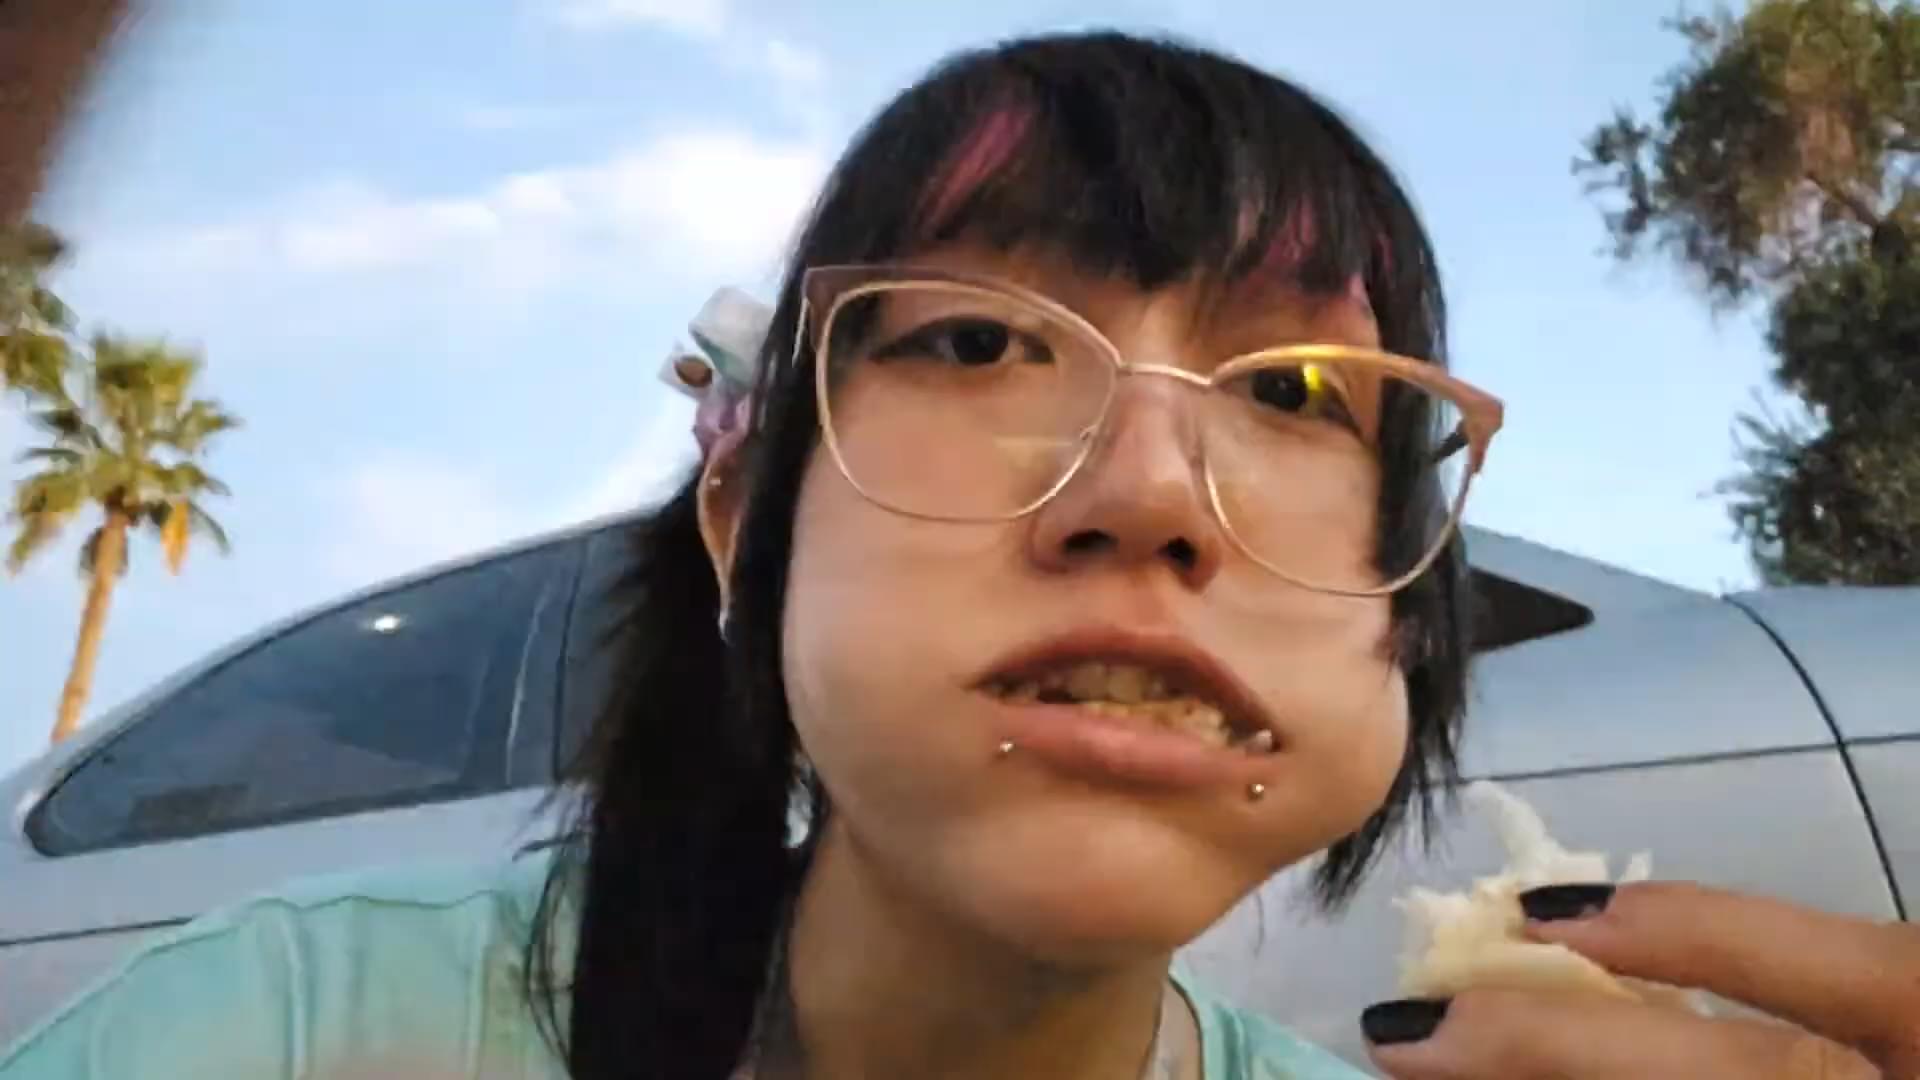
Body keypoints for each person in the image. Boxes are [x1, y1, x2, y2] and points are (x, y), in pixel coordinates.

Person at [2, 29, 1914, 1080]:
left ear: (1406, 628)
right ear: (745, 522)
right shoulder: (290, 1036)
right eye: (982, 342)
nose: (1150, 491)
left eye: (1298, 391)